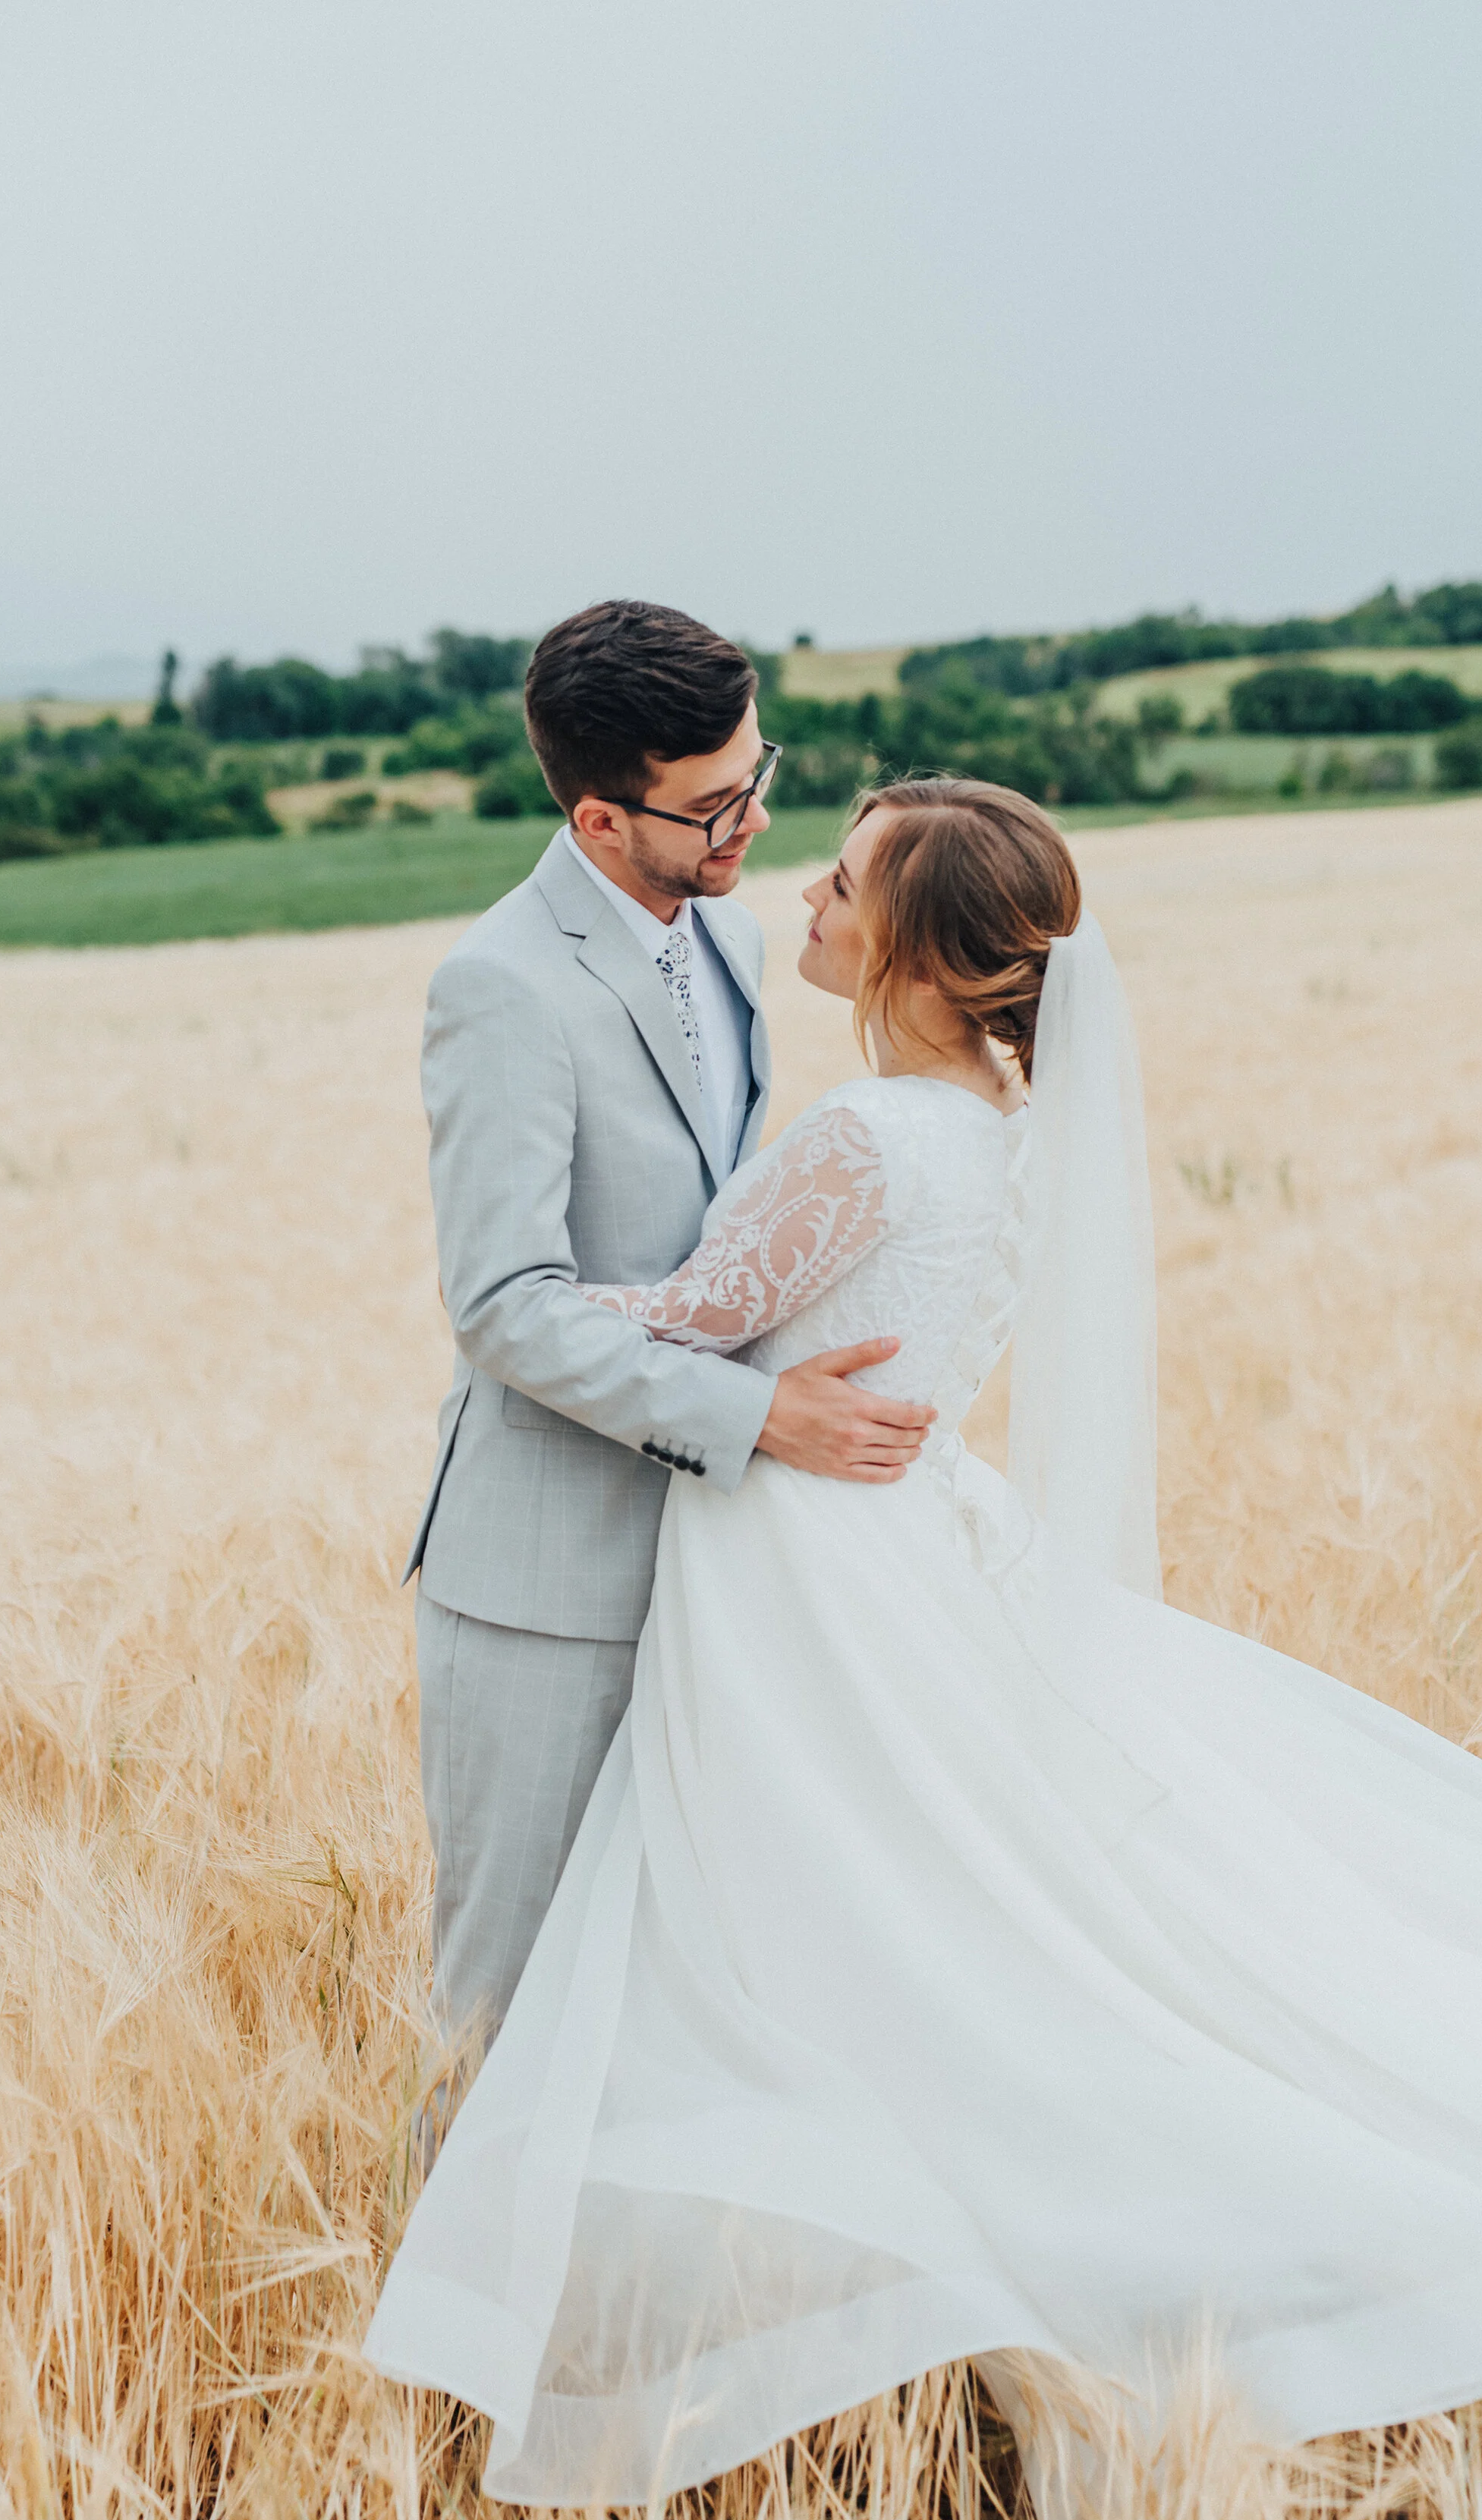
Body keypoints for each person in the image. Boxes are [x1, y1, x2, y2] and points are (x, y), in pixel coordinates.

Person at [370, 776, 1482, 2514]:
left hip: (805, 1571)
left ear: (908, 944)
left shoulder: (866, 1141)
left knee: (836, 1942)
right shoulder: (988, 1129)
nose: (807, 900)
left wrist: (519, 1305)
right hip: (895, 1535)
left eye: (844, 881)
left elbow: (664, 1317)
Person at [404, 601, 935, 2050]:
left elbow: (728, 1243)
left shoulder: (739, 941)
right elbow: (505, 1306)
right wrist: (763, 1417)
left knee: (676, 2005)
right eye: (712, 805)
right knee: (506, 2014)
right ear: (596, 813)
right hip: (545, 1588)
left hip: (731, 1573)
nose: (754, 821)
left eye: (761, 774)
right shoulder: (499, 986)